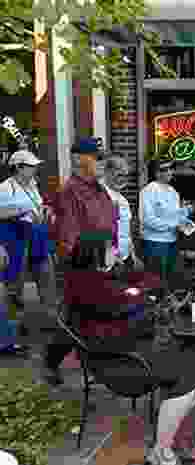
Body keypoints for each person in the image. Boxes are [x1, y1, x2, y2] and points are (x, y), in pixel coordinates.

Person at [42, 143, 118, 386]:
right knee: (78, 319)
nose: (102, 163)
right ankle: (51, 363)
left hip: (102, 260)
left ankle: (94, 365)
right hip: (81, 265)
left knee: (98, 316)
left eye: (102, 158)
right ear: (78, 160)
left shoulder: (99, 190)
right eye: (97, 159)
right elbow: (67, 238)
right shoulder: (70, 191)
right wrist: (84, 263)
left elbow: (109, 222)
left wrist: (112, 251)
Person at [0, 150, 55, 353]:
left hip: (37, 236)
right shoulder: (5, 188)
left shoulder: (33, 185)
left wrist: (46, 210)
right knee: (14, 284)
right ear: (19, 167)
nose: (35, 169)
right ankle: (12, 332)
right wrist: (21, 211)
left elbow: (37, 206)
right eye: (31, 166)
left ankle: (51, 322)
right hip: (16, 239)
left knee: (46, 277)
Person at [139, 158, 195, 289]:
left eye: (170, 168)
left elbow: (176, 217)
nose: (169, 172)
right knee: (155, 280)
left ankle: (167, 306)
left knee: (171, 279)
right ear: (156, 173)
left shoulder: (173, 192)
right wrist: (173, 225)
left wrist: (186, 214)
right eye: (164, 169)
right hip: (154, 241)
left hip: (172, 241)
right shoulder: (148, 190)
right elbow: (147, 219)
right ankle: (154, 306)